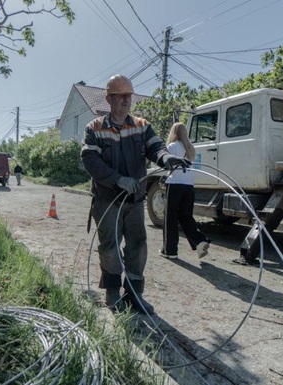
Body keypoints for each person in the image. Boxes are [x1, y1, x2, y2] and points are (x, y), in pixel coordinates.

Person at [81, 74, 191, 314]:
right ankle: (112, 293)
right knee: (109, 245)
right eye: (120, 96)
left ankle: (133, 294)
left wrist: (166, 157)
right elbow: (89, 159)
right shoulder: (95, 128)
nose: (126, 100)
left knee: (138, 245)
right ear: (109, 98)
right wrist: (118, 179)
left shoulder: (142, 126)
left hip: (134, 200)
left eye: (129, 95)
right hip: (107, 200)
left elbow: (155, 147)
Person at [159, 123, 211, 264]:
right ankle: (199, 242)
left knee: (170, 218)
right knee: (186, 216)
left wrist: (163, 178)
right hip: (189, 186)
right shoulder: (190, 148)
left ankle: (169, 251)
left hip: (175, 184)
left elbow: (166, 166)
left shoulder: (172, 146)